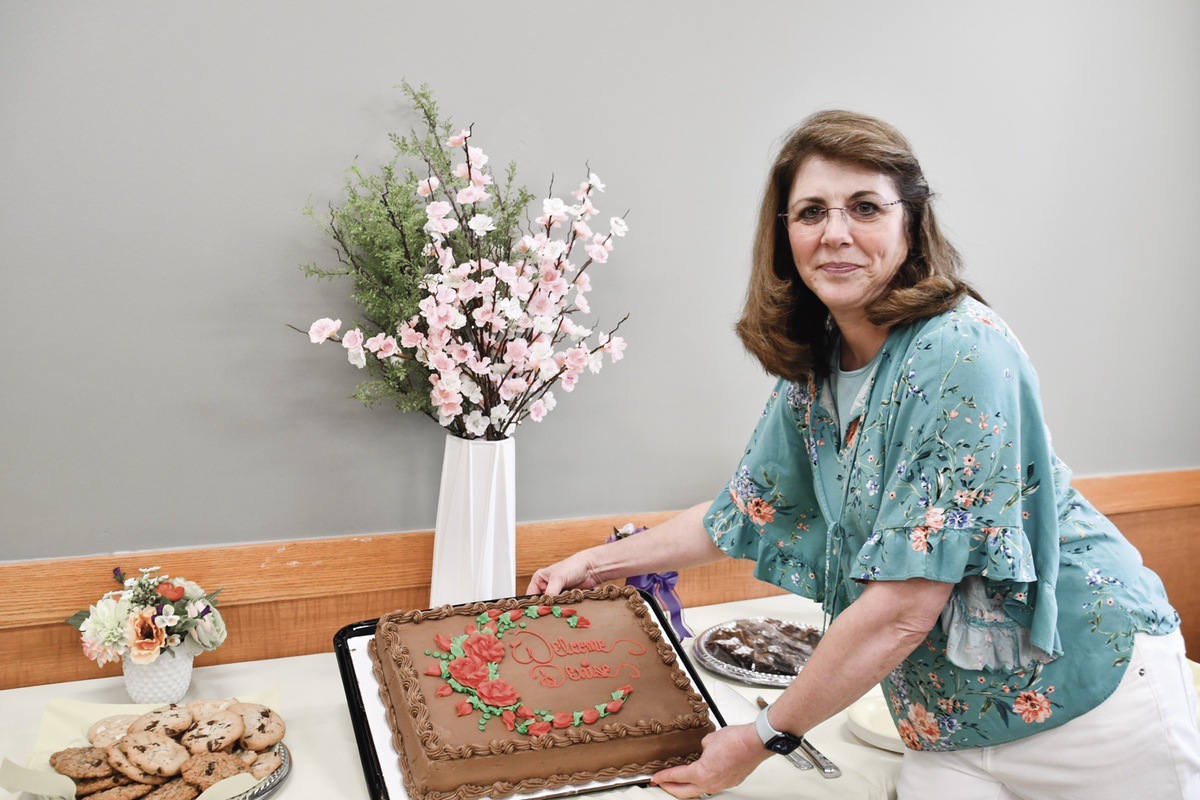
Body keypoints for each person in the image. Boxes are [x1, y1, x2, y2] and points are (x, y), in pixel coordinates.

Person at [527, 110, 1200, 799]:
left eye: (866, 208)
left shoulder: (961, 353)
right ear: (784, 234)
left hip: (1091, 697)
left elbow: (906, 605)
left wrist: (761, 739)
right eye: (811, 211)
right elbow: (745, 509)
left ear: (910, 224)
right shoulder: (819, 370)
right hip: (948, 723)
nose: (836, 233)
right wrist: (596, 562)